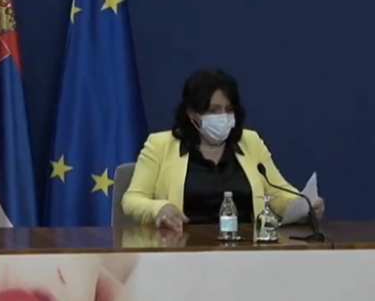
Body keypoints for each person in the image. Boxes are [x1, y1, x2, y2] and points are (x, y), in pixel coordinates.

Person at [121, 68, 324, 232]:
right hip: (184, 252)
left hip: (247, 251)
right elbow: (131, 200)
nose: (223, 117)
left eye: (228, 110)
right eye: (213, 110)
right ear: (192, 113)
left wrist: (304, 206)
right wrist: (159, 208)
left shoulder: (250, 142)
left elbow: (278, 193)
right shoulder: (160, 145)